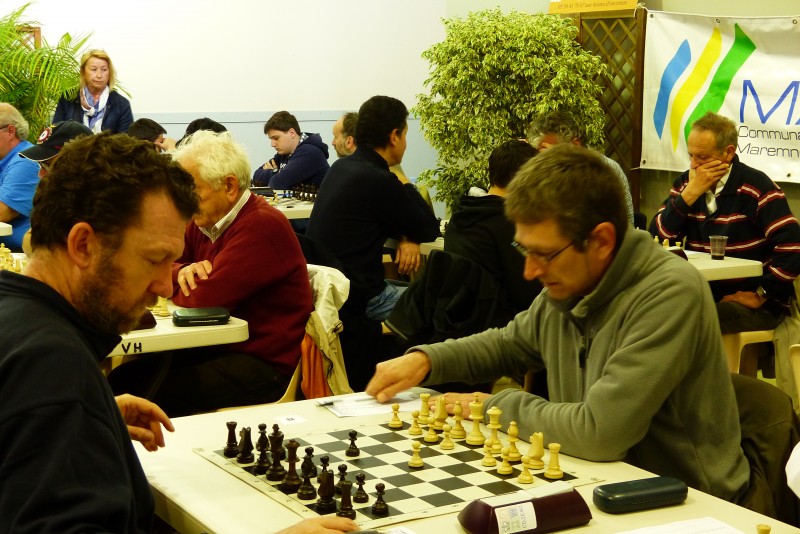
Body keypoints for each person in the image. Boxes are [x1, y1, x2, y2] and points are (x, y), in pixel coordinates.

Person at [366, 143, 751, 503]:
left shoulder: (669, 292)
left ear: (601, 240)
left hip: (689, 502)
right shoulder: (571, 282)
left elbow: (600, 432)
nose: (530, 271)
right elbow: (508, 344)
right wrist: (426, 360)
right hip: (593, 478)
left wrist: (494, 405)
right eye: (525, 250)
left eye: (544, 254)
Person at [0, 132, 196, 532]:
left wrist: (89, 417)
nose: (165, 286)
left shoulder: (14, 313)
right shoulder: (52, 366)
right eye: (155, 259)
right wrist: (66, 404)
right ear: (83, 245)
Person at [108, 130, 312, 416]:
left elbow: (203, 301)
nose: (183, 201)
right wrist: (182, 271)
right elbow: (158, 266)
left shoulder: (261, 226)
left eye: (191, 190)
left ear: (229, 186)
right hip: (214, 347)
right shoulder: (204, 219)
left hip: (262, 363)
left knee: (142, 392)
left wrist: (173, 279)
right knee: (122, 380)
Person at [650, 111, 800, 334]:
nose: (693, 165)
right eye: (691, 156)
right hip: (704, 292)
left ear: (728, 153)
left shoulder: (756, 187)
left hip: (758, 301)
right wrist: (689, 195)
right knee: (652, 314)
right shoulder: (685, 184)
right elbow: (657, 236)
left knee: (688, 323)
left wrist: (761, 294)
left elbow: (793, 247)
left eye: (702, 157)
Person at [306, 96, 440, 321]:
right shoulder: (378, 178)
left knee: (423, 291)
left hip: (328, 293)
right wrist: (401, 177)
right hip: (360, 301)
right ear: (394, 136)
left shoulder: (341, 167)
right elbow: (428, 229)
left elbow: (384, 219)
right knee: (448, 304)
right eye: (405, 135)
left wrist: (407, 236)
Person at [445, 139, 542, 313]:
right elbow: (528, 294)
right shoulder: (508, 224)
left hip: (455, 318)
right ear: (525, 180)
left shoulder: (462, 211)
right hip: (498, 322)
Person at [527, 110, 634, 223]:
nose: (544, 158)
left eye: (549, 151)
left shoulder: (606, 169)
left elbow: (626, 225)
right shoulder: (543, 169)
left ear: (575, 145)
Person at [18, 119, 94, 254]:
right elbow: (31, 240)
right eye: (40, 165)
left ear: (78, 163)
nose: (40, 174)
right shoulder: (58, 199)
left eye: (48, 165)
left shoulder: (97, 206)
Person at [53, 49, 133, 133]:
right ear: (83, 72)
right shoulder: (68, 98)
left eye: (104, 70)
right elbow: (56, 132)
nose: (99, 75)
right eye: (94, 69)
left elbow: (126, 139)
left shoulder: (121, 104)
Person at [252, 110, 330, 189]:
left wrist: (276, 173)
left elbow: (276, 183)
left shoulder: (309, 152)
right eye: (271, 139)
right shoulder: (284, 153)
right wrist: (275, 172)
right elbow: (256, 177)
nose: (272, 144)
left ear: (292, 133)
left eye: (276, 138)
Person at [0, 103, 39, 251]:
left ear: (10, 131)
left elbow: (2, 212)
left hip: (19, 253)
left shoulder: (25, 160)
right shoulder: (5, 158)